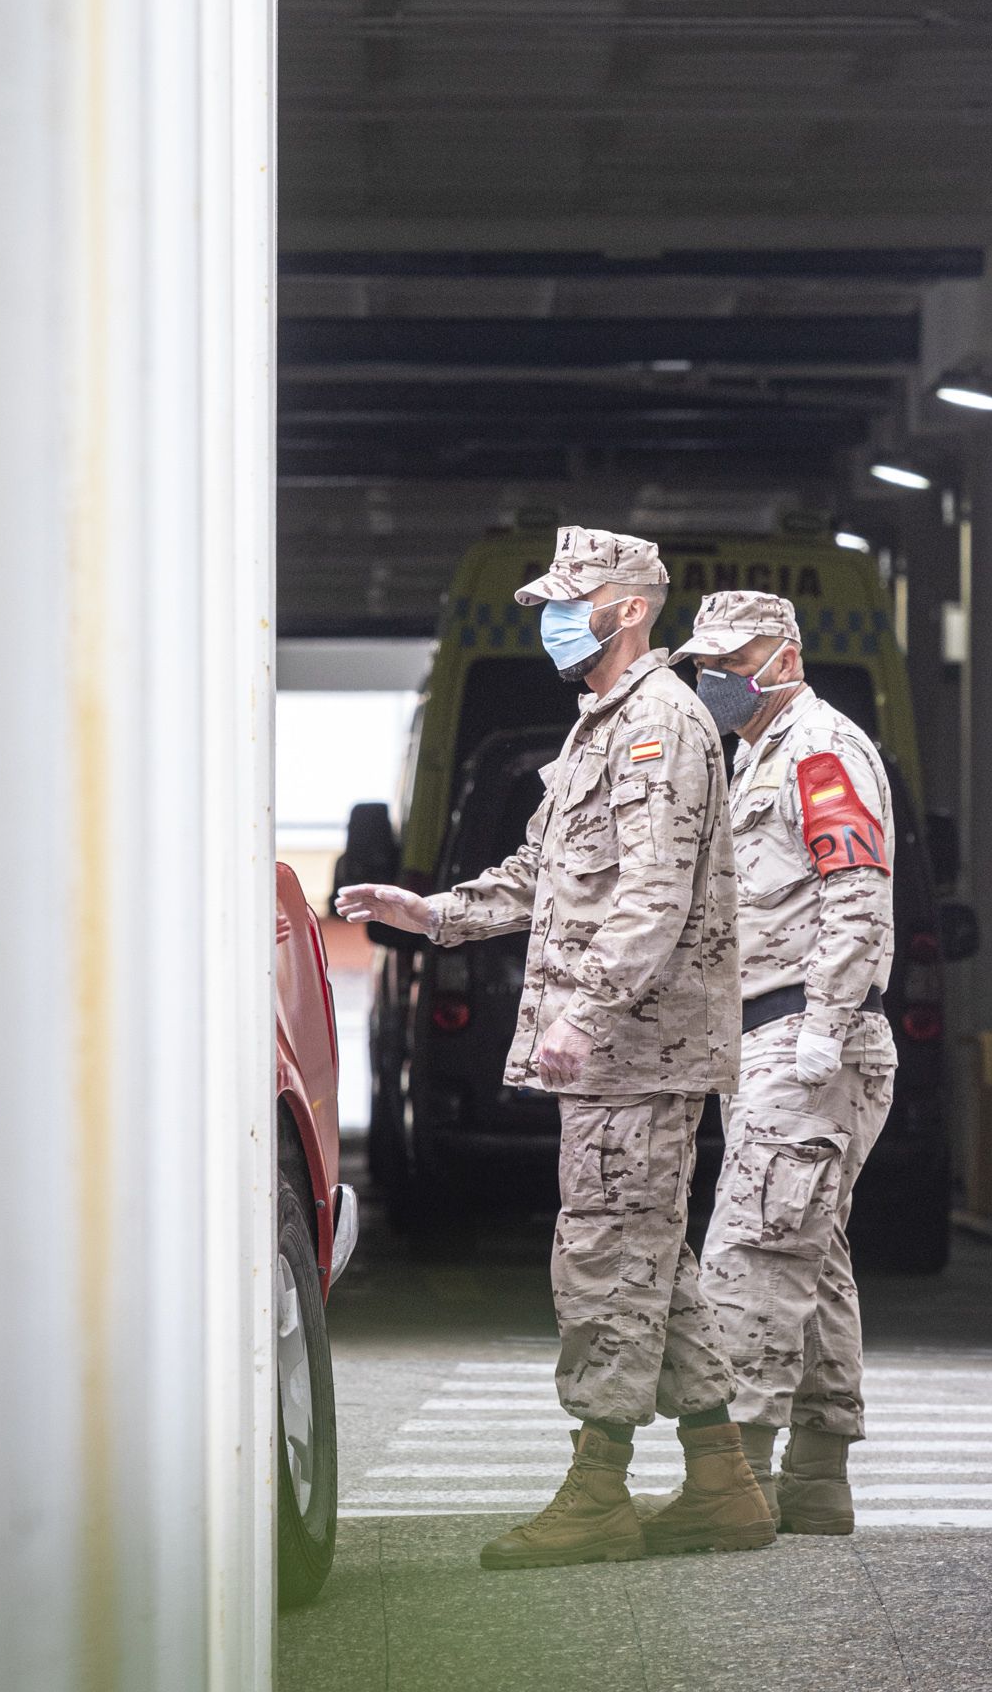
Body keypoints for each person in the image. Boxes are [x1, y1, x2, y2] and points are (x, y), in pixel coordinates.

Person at [335, 527, 773, 1570]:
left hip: (639, 1049)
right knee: (650, 1263)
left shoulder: (659, 725)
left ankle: (598, 1490)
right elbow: (542, 873)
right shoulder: (599, 728)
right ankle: (722, 1482)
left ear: (628, 608)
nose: (549, 621)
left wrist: (587, 1010)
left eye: (568, 603)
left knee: (604, 1261)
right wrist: (430, 911)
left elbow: (653, 897)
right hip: (630, 1049)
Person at [670, 588, 896, 1538]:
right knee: (812, 1252)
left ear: (785, 658)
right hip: (761, 1035)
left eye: (732, 660)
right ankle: (816, 1476)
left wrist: (826, 1022)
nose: (714, 677)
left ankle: (733, 1480)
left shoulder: (821, 749)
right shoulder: (756, 751)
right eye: (706, 663)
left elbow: (855, 888)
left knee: (754, 1252)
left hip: (807, 1037)